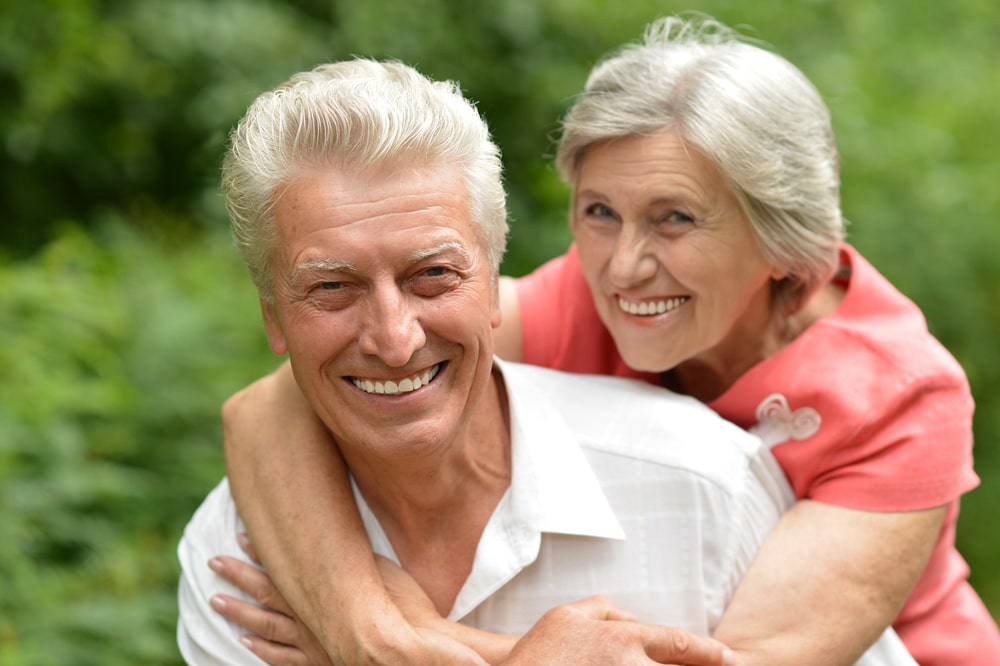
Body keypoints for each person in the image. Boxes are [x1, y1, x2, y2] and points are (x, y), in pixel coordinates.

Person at [211, 14, 1000, 666]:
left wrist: (425, 649)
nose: (624, 267)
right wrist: (365, 629)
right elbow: (276, 405)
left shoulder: (903, 395)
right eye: (599, 213)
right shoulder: (592, 303)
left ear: (779, 235)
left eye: (675, 218)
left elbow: (739, 664)